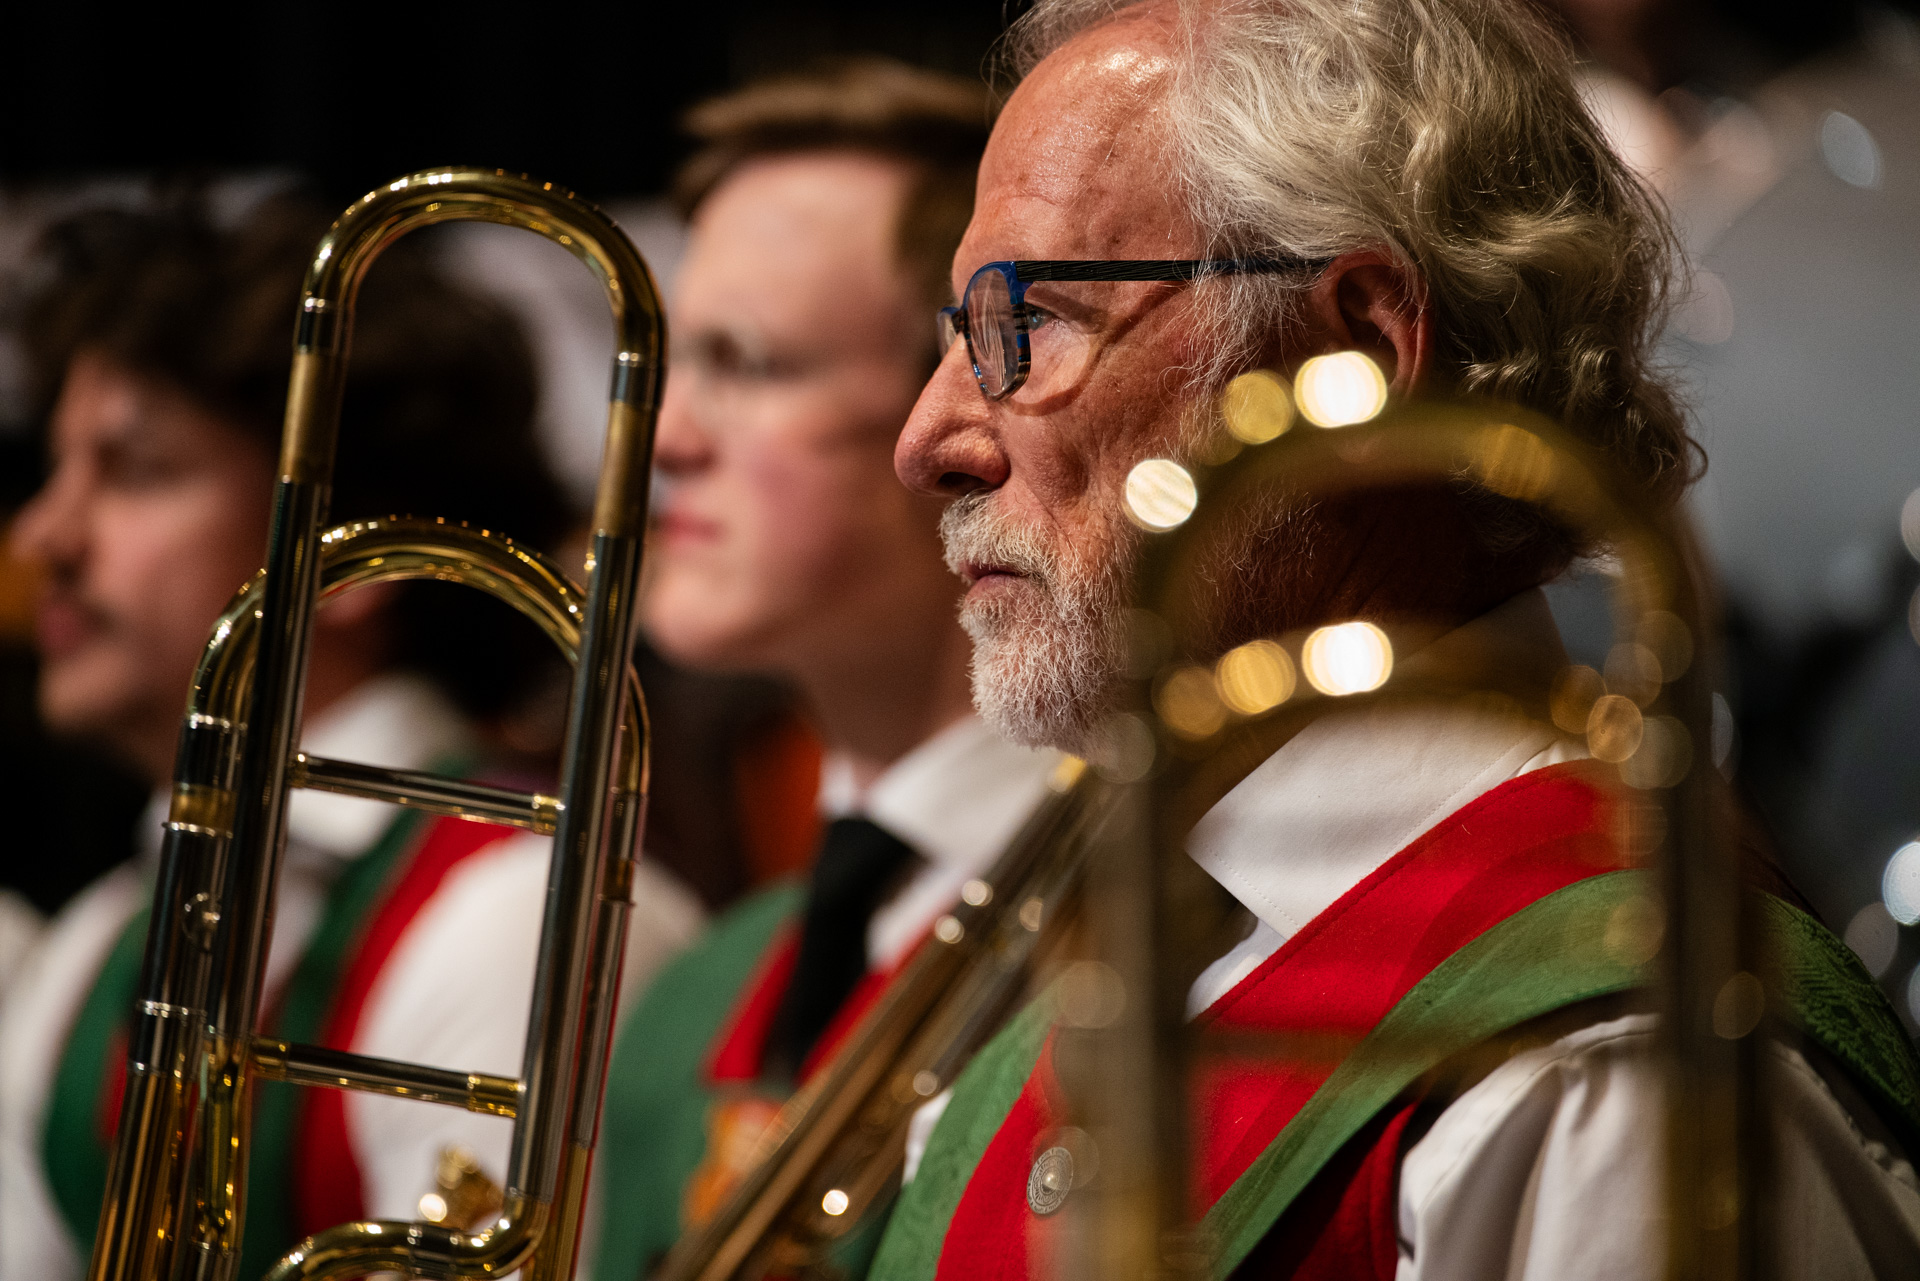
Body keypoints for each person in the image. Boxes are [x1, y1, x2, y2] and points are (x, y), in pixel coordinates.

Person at [865, 1, 1920, 1278]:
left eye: (1026, 322)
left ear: (1359, 357)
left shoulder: (1615, 1060)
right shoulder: (1076, 970)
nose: (927, 443)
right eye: (958, 331)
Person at [0, 199, 703, 1281]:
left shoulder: (519, 915)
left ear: (355, 544)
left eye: (136, 469)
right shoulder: (95, 940)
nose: (43, 534)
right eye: (58, 470)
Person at [591, 61, 1063, 1280]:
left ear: (962, 405)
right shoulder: (698, 988)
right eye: (672, 365)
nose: (667, 438)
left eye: (748, 363)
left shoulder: (1152, 954)